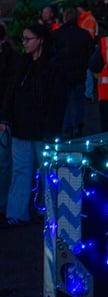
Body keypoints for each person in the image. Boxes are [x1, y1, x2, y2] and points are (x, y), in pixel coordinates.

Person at [0, 23, 66, 227]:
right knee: (21, 171)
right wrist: (5, 118)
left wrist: (51, 128)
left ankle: (51, 213)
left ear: (41, 40)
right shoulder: (23, 64)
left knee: (48, 172)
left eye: (28, 39)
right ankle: (16, 213)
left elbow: (58, 101)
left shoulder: (53, 65)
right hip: (21, 128)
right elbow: (11, 93)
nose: (24, 43)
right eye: (23, 39)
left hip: (43, 130)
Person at [52, 7, 94, 139]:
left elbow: (52, 54)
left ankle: (66, 128)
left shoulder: (56, 34)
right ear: (77, 18)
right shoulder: (84, 34)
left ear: (64, 18)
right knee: (79, 101)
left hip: (62, 74)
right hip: (79, 73)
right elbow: (90, 53)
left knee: (64, 102)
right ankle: (79, 126)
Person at [0, 23, 20, 218]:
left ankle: (2, 205)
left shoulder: (11, 59)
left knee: (3, 163)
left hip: (3, 117)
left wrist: (5, 116)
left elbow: (10, 91)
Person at [77, 5, 98, 101]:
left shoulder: (88, 19)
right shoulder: (83, 19)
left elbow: (89, 35)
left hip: (86, 48)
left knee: (87, 70)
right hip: (84, 47)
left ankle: (88, 94)